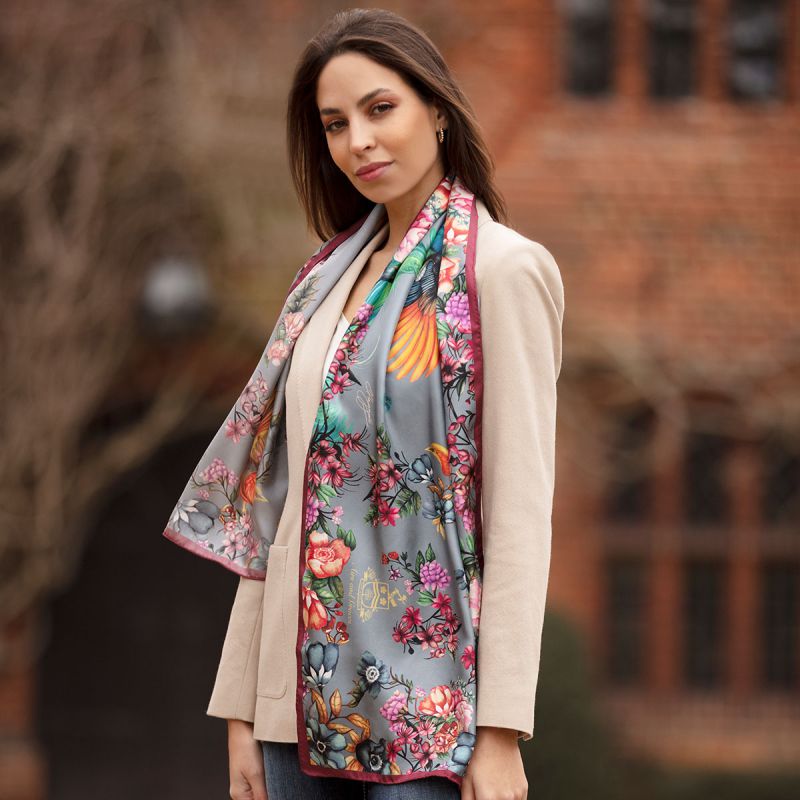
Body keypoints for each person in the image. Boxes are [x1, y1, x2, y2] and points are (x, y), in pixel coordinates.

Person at [162, 8, 564, 800]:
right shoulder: (323, 283)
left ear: (437, 110)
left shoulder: (503, 272)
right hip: (299, 702)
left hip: (435, 710)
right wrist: (241, 705)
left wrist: (502, 731)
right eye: (336, 124)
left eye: (381, 109)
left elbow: (519, 514)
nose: (360, 142)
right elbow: (280, 502)